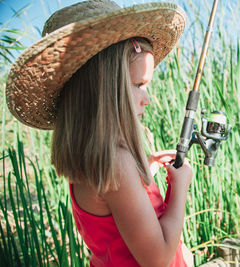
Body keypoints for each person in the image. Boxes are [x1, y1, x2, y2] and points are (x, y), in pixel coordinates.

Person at [6, 0, 194, 266]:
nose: (147, 98)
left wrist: (146, 170)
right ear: (103, 90)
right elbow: (158, 259)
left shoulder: (95, 161)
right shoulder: (117, 164)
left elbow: (114, 221)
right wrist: (180, 188)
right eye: (138, 85)